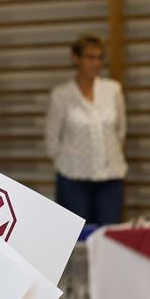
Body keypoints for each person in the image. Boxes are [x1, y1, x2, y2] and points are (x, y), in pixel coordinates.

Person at [45, 34, 127, 225]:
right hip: (73, 178)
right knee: (77, 236)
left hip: (110, 177)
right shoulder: (61, 95)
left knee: (108, 234)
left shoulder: (113, 90)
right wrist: (67, 163)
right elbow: (52, 138)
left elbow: (120, 131)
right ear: (76, 58)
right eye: (90, 57)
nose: (96, 63)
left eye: (100, 58)